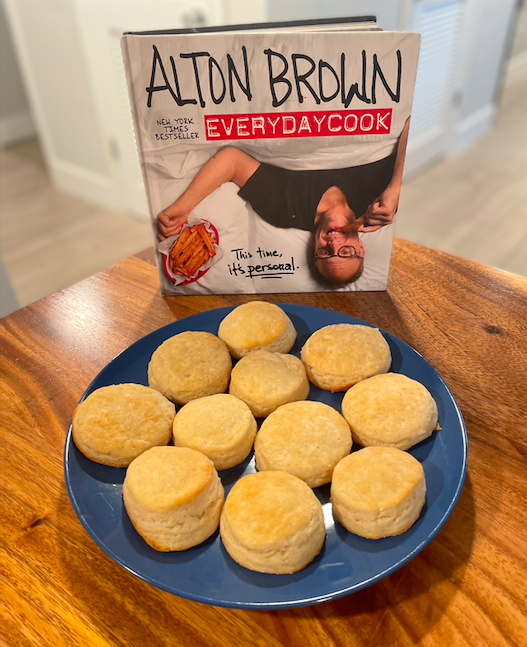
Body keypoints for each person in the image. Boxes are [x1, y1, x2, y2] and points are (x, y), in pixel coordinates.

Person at [158, 119, 410, 285]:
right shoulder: (378, 203)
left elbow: (233, 160)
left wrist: (183, 208)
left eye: (324, 252)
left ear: (312, 248)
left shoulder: (284, 210)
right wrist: (396, 185)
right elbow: (410, 122)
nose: (333, 242)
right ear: (361, 249)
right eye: (345, 252)